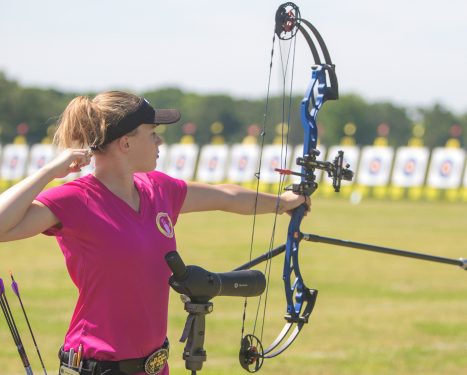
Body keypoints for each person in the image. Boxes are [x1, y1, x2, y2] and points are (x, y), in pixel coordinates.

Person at [0, 91, 311, 375]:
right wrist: (49, 171)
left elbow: (224, 196)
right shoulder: (76, 199)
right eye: (153, 134)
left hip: (153, 367)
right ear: (126, 143)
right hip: (97, 367)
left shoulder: (158, 189)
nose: (160, 142)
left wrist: (283, 203)